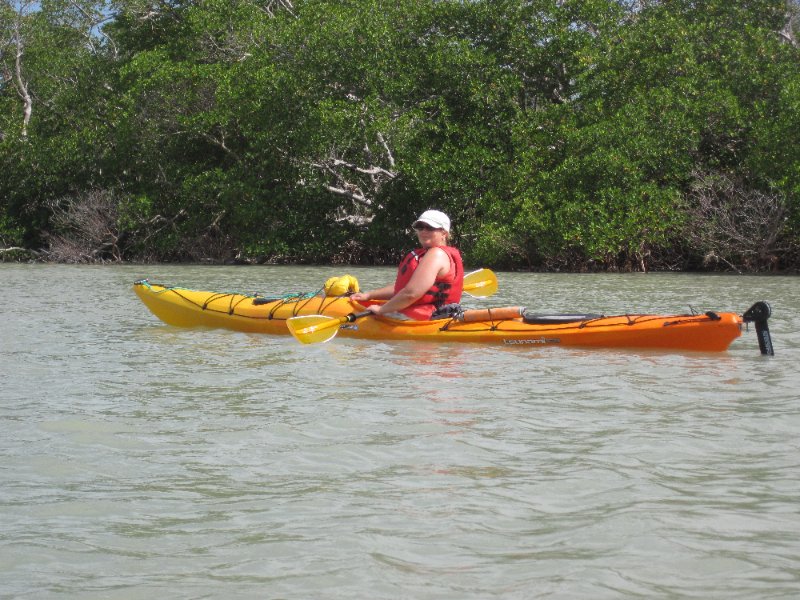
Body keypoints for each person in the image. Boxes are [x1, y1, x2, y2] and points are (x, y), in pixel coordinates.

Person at [350, 209, 464, 320]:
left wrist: (381, 310)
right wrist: (369, 295)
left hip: (427, 317)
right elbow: (403, 289)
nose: (424, 231)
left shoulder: (436, 254)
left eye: (430, 228)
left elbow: (411, 294)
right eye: (420, 227)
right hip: (440, 314)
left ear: (444, 233)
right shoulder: (437, 254)